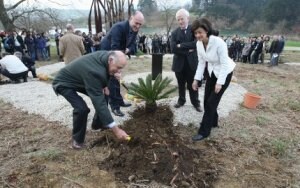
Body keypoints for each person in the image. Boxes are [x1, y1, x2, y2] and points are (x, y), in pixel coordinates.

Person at [52, 51, 130, 149]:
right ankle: (77, 140)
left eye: (121, 69)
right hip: (64, 83)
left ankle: (98, 124)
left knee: (104, 94)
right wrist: (116, 130)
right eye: (118, 68)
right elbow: (99, 103)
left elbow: (107, 71)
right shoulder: (94, 72)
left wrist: (105, 85)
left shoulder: (107, 56)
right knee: (82, 109)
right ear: (110, 60)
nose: (119, 71)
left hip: (81, 79)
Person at [191, 18, 236, 141]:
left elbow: (225, 64)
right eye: (195, 33)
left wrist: (220, 83)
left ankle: (204, 131)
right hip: (212, 73)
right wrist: (196, 79)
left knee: (211, 103)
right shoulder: (199, 44)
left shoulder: (218, 42)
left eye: (200, 32)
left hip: (224, 73)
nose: (198, 35)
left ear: (206, 30)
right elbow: (201, 63)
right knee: (206, 101)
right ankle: (213, 121)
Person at [100, 11, 145, 116]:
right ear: (131, 18)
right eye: (136, 23)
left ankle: (119, 101)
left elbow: (133, 46)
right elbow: (114, 47)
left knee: (117, 80)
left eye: (140, 24)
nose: (138, 26)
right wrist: (116, 68)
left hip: (118, 54)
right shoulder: (118, 28)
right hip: (107, 55)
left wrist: (128, 50)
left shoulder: (134, 29)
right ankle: (114, 107)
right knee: (112, 80)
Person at [170, 8, 201, 112]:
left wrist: (181, 45)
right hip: (179, 64)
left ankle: (196, 102)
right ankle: (181, 100)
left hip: (192, 64)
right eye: (178, 19)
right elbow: (173, 48)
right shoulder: (174, 33)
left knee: (193, 84)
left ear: (187, 18)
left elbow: (196, 43)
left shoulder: (194, 30)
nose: (180, 22)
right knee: (181, 84)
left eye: (182, 19)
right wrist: (188, 51)